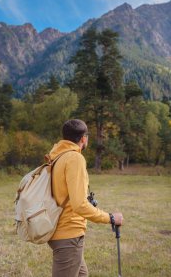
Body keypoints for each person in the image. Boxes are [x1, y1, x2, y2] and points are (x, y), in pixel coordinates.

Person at [46, 119, 123, 277]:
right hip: (68, 234)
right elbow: (79, 205)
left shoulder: (57, 157)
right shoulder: (74, 158)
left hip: (59, 231)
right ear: (83, 138)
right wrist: (110, 218)